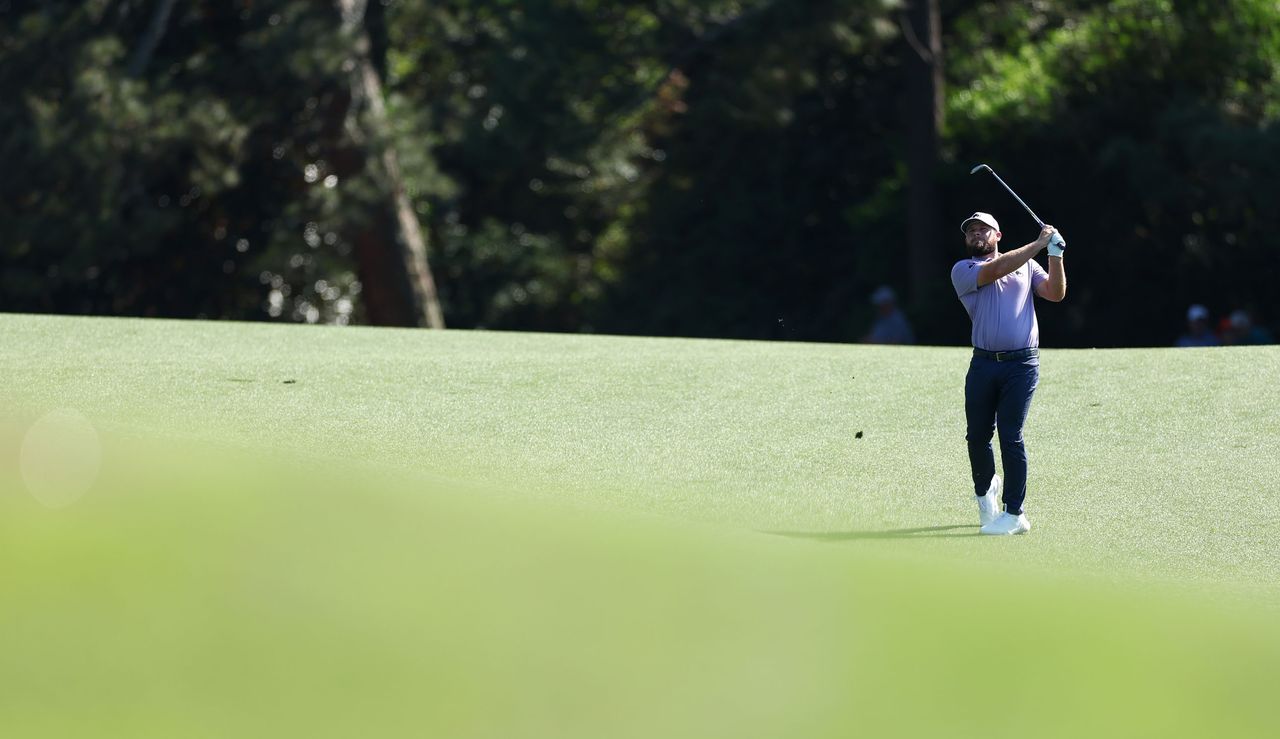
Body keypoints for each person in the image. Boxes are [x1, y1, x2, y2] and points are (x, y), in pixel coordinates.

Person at [950, 212, 1066, 535]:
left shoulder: (1028, 265)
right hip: (983, 364)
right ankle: (985, 493)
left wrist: (1055, 255)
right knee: (977, 436)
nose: (976, 235)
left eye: (982, 230)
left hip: (1022, 365)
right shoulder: (964, 269)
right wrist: (1040, 243)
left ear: (997, 235)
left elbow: (1055, 293)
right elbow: (997, 270)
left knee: (1010, 435)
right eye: (971, 231)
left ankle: (1015, 514)